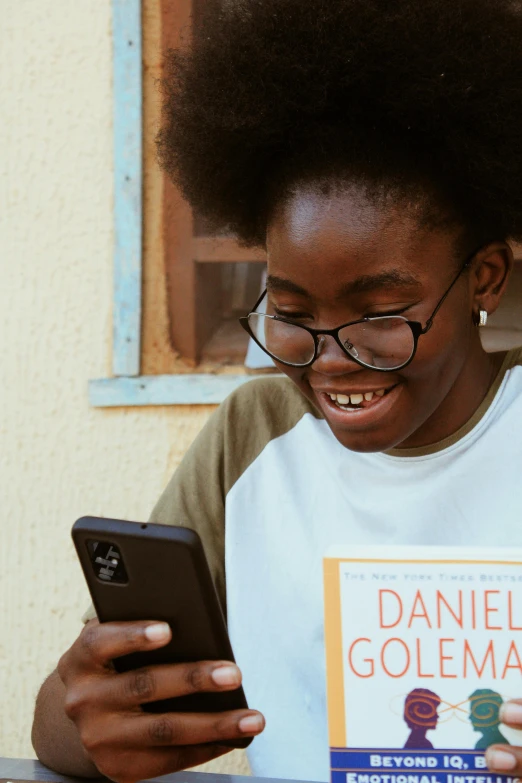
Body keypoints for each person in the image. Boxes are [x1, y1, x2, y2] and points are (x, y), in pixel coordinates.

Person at [31, 0, 522, 781]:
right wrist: (87, 712)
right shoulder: (252, 437)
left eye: (381, 314)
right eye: (292, 313)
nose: (331, 360)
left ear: (484, 278)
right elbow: (75, 724)